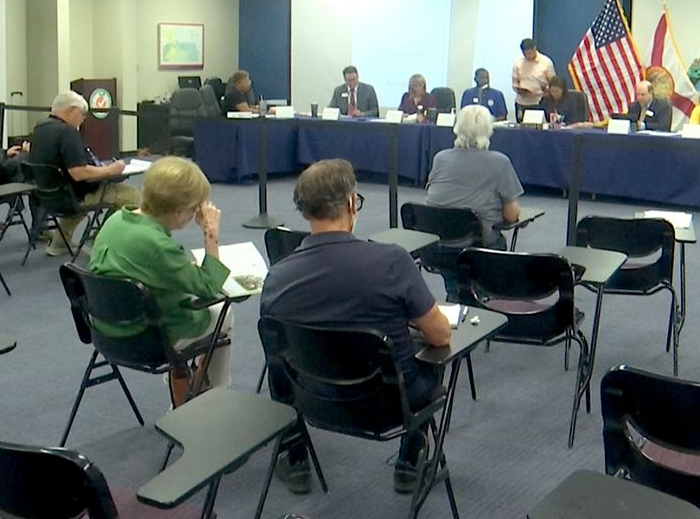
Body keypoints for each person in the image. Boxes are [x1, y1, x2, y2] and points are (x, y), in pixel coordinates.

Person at [261, 159, 452, 495]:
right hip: (391, 405)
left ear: (304, 211)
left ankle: (295, 457)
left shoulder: (277, 276)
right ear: (352, 203)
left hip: (310, 396)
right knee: (433, 351)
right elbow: (440, 334)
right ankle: (409, 461)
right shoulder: (392, 261)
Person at [88, 156, 232, 405]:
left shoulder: (115, 220)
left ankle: (184, 380)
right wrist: (211, 234)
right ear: (179, 211)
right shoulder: (159, 247)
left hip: (104, 330)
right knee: (224, 313)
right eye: (193, 208)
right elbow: (211, 287)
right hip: (147, 339)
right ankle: (211, 392)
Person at [28, 90, 141, 256]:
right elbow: (78, 173)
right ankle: (104, 240)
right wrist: (109, 170)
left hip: (48, 195)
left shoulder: (40, 128)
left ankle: (59, 242)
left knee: (81, 193)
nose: (83, 119)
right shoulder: (67, 133)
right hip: (72, 197)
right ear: (71, 110)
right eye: (82, 114)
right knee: (132, 196)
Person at [426, 105, 524, 295]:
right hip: (479, 250)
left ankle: (457, 296)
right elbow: (512, 215)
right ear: (489, 130)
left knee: (456, 279)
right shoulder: (500, 162)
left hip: (438, 246)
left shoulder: (440, 158)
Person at [511, 38, 556, 122]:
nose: (528, 56)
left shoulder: (546, 62)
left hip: (539, 102)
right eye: (525, 54)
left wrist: (547, 90)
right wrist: (519, 89)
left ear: (534, 49)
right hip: (522, 102)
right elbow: (515, 83)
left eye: (529, 53)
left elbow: (554, 83)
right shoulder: (518, 63)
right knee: (521, 130)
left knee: (538, 130)